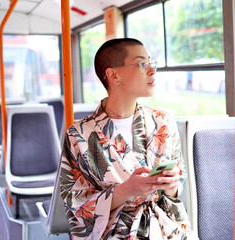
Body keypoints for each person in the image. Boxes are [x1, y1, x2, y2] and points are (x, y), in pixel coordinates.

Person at [59, 38, 196, 239]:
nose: (152, 70)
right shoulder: (79, 134)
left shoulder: (163, 121)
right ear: (114, 75)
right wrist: (126, 190)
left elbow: (176, 189)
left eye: (151, 63)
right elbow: (77, 204)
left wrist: (172, 186)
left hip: (165, 228)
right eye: (142, 64)